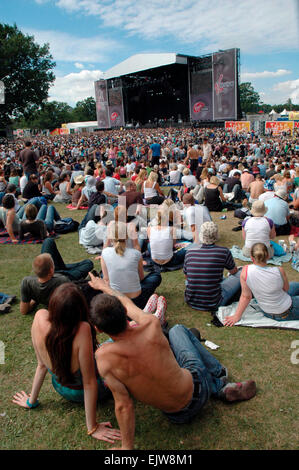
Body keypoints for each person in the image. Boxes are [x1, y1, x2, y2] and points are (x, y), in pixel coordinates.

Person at [87, 276, 256, 450]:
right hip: (199, 385)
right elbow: (128, 304)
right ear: (124, 312)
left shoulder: (104, 359)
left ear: (98, 329)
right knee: (177, 330)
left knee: (177, 339)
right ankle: (220, 381)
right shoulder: (151, 324)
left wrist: (126, 448)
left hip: (178, 415)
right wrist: (105, 287)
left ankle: (219, 386)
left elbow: (124, 405)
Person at [13, 283, 121, 444]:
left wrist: (31, 400)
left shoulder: (39, 317)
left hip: (61, 387)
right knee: (118, 342)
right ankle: (148, 322)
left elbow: (41, 365)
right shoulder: (82, 329)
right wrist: (92, 427)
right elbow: (89, 383)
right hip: (85, 391)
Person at [224, 242, 299, 326]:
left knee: (295, 285)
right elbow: (286, 289)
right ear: (268, 256)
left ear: (252, 258)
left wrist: (236, 316)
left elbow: (246, 296)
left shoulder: (245, 271)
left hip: (267, 311)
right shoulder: (279, 270)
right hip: (287, 311)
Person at [101, 221, 162, 309]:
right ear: (127, 235)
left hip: (116, 301)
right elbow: (141, 278)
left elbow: (106, 280)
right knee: (156, 276)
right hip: (136, 300)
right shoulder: (136, 254)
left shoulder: (105, 253)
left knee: (104, 274)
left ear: (110, 236)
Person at [183, 221, 241, 311]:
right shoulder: (224, 252)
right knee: (240, 273)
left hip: (191, 301)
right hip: (214, 302)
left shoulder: (190, 251)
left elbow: (187, 277)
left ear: (201, 234)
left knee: (191, 281)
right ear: (216, 235)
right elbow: (234, 272)